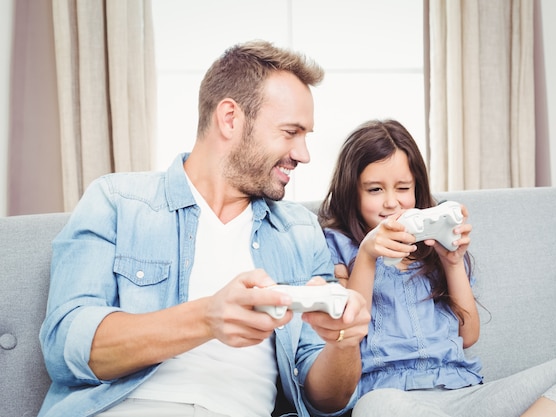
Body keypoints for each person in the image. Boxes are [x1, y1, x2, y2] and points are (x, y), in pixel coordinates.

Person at [37, 40, 370, 417]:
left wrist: (343, 342)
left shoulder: (300, 232)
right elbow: (66, 345)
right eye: (291, 132)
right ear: (230, 118)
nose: (303, 154)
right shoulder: (117, 201)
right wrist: (207, 317)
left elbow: (325, 400)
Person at [318, 119, 556, 417]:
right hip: (392, 398)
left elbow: (467, 335)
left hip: (464, 394)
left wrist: (452, 263)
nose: (391, 203)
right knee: (376, 408)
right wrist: (369, 254)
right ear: (352, 192)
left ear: (417, 188)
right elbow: (349, 332)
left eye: (402, 188)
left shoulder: (434, 246)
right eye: (374, 190)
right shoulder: (339, 246)